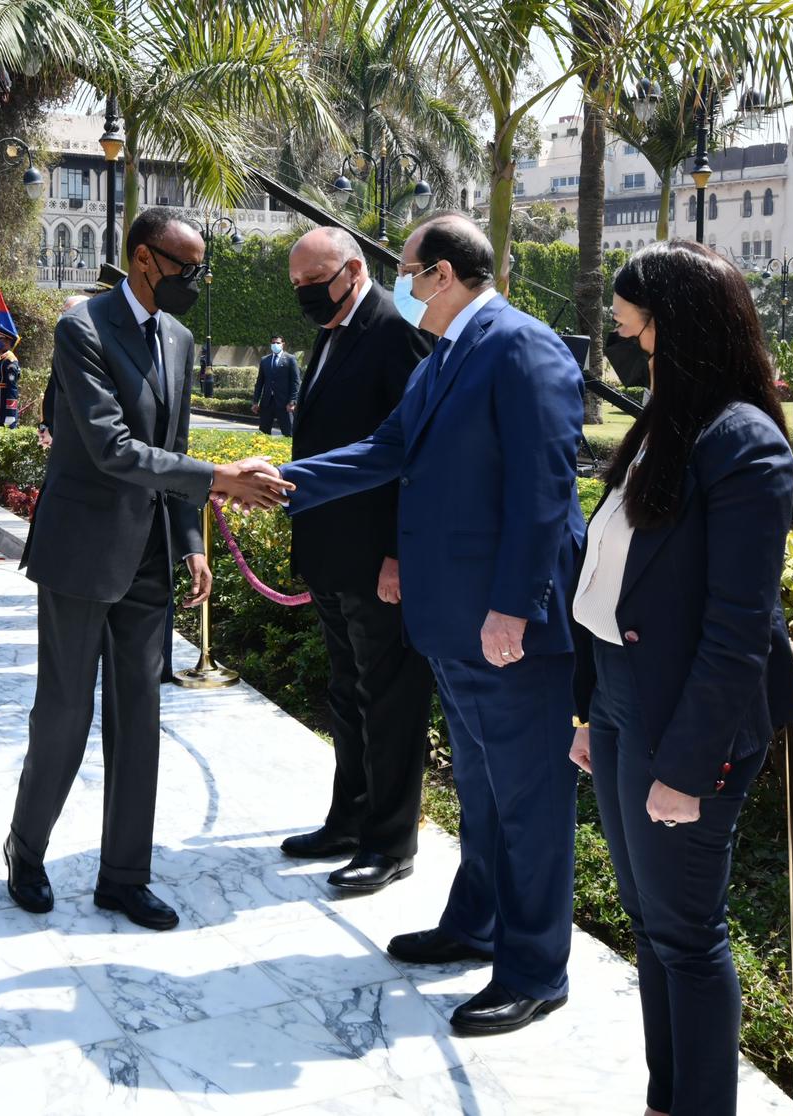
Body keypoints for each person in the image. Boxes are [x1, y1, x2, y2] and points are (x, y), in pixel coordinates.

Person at [279, 214, 585, 1035]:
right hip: (453, 620)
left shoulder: (521, 346)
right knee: (483, 792)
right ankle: (476, 923)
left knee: (528, 801)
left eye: (409, 271)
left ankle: (535, 969)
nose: (403, 286)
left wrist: (514, 606)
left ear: (444, 273)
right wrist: (280, 479)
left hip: (507, 626)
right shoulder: (448, 353)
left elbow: (545, 489)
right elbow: (387, 450)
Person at [6, 208, 291, 931]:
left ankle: (125, 877)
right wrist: (221, 479)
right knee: (65, 713)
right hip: (81, 553)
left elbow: (173, 442)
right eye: (185, 267)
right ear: (142, 259)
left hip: (149, 558)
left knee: (140, 717)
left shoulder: (178, 337)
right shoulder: (82, 329)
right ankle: (26, 849)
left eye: (201, 267)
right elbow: (112, 449)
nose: (196, 280)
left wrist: (191, 541)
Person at [569, 240, 793, 1116]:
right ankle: (665, 1099)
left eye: (631, 326)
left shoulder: (741, 442)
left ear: (679, 327)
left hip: (683, 718)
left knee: (688, 934)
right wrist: (591, 713)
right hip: (623, 699)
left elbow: (738, 630)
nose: (623, 342)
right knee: (651, 922)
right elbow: (612, 580)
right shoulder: (664, 427)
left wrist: (688, 767)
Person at [279, 228, 437, 895]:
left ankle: (390, 842)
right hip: (332, 553)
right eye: (297, 286)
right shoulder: (335, 328)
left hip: (378, 560)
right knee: (348, 694)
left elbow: (415, 453)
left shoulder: (396, 328)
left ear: (351, 269)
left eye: (314, 282)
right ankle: (348, 820)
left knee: (390, 700)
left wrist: (399, 552)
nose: (305, 296)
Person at [39, 294, 91, 449]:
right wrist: (46, 425)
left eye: (70, 311)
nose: (64, 316)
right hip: (58, 433)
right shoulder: (63, 345)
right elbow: (54, 388)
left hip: (76, 436)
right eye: (63, 311)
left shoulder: (88, 350)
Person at [251, 334, 300, 436]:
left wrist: (292, 402)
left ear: (283, 344)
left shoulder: (290, 359)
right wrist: (255, 401)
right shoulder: (265, 360)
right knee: (263, 434)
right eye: (273, 343)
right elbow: (259, 383)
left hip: (285, 404)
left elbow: (295, 382)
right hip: (267, 403)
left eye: (278, 343)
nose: (275, 345)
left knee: (288, 434)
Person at [0, 327, 22, 430]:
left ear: (7, 341)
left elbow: (12, 389)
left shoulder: (10, 361)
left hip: (4, 413)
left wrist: (10, 414)